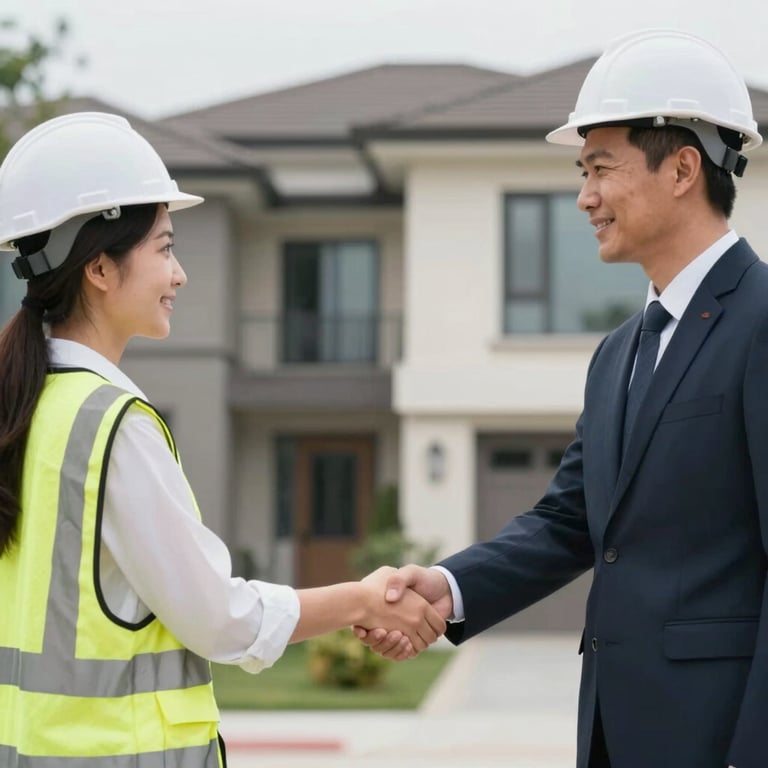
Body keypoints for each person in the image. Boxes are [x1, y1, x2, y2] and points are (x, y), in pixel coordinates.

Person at [357, 29, 768, 768]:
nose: (584, 198)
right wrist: (449, 587)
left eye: (600, 169)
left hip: (719, 739)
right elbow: (571, 522)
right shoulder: (619, 353)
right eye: (583, 171)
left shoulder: (764, 323)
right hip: (614, 734)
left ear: (682, 168)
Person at [0, 112, 445, 767]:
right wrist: (361, 598)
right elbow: (220, 619)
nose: (178, 275)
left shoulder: (27, 408)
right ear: (99, 267)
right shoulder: (109, 426)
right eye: (164, 248)